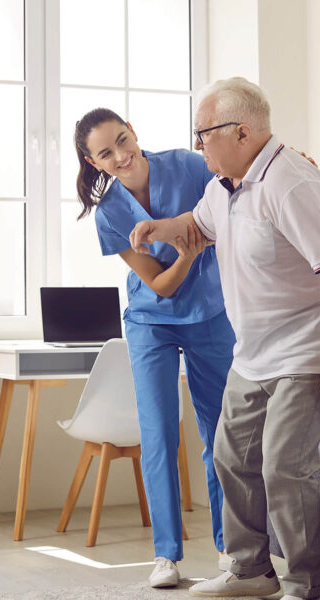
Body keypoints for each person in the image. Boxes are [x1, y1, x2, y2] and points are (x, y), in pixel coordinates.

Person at [129, 78, 320, 600]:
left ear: (241, 131)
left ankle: (304, 586)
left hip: (303, 353)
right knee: (230, 457)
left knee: (283, 467)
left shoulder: (291, 183)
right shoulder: (224, 186)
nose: (197, 145)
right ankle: (250, 571)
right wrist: (160, 228)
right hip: (251, 355)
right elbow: (200, 226)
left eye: (202, 134)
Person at [73, 108, 237, 589]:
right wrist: (188, 253)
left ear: (134, 132)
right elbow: (161, 287)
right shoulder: (109, 215)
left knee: (220, 434)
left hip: (211, 314)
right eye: (107, 152)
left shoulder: (188, 166)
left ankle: (231, 547)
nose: (122, 155)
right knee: (159, 433)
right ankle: (166, 555)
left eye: (124, 140)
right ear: (94, 161)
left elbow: (238, 184)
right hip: (151, 321)